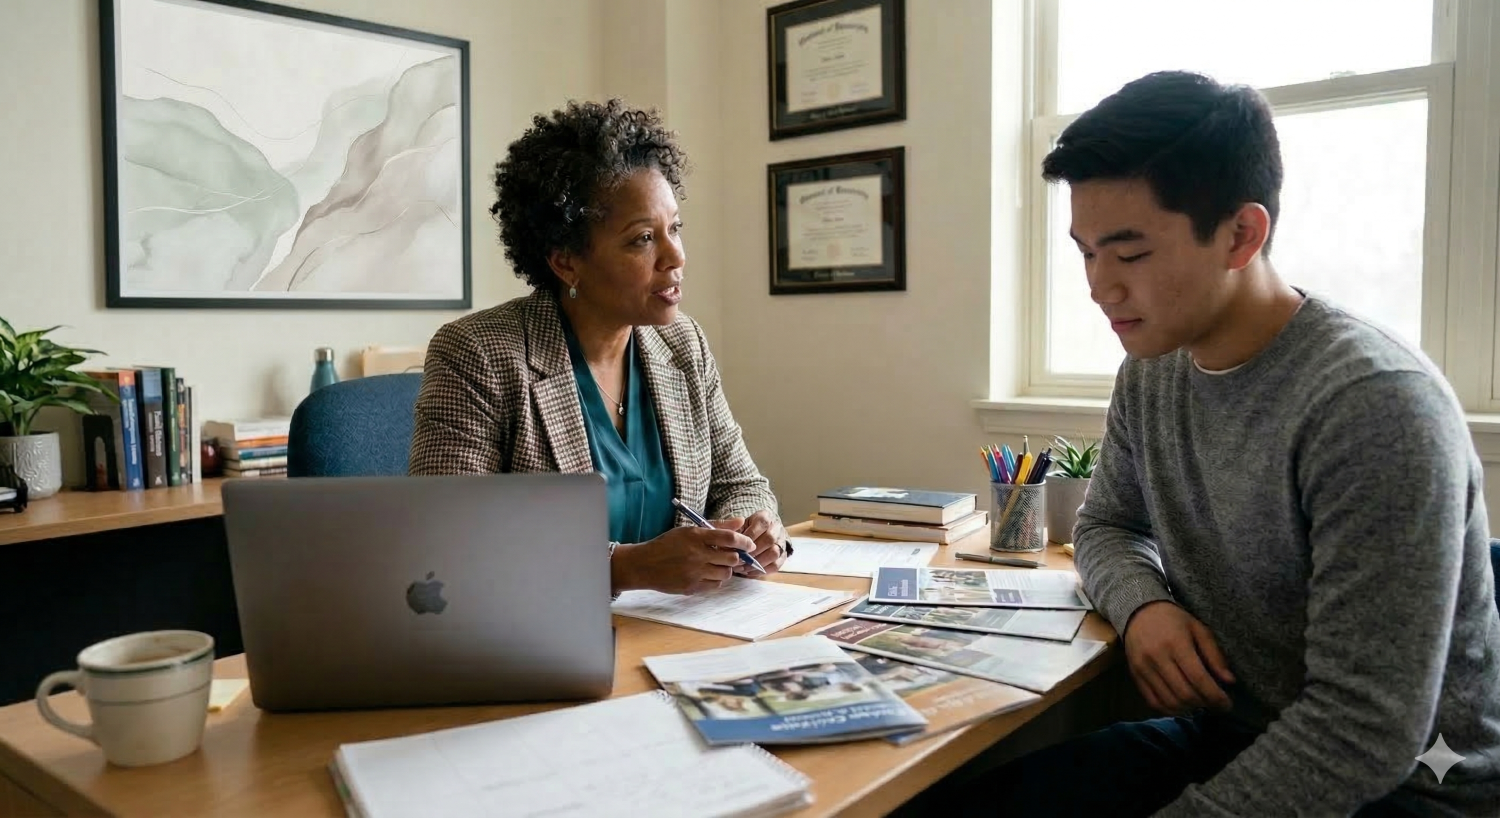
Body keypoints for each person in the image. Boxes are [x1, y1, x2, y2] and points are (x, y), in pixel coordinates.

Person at [962, 71, 1500, 816]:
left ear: (1242, 234)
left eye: (1131, 253)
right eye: (1086, 252)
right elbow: (1106, 523)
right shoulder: (1152, 368)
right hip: (1237, 738)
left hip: (1404, 789)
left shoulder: (1374, 406)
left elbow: (1364, 730)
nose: (1099, 287)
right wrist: (1143, 605)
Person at [408, 99, 789, 597]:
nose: (675, 256)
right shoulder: (479, 354)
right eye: (642, 240)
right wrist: (625, 568)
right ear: (567, 262)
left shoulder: (682, 343)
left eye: (674, 228)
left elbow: (741, 482)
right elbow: (448, 540)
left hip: (682, 629)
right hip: (541, 641)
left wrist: (756, 528)